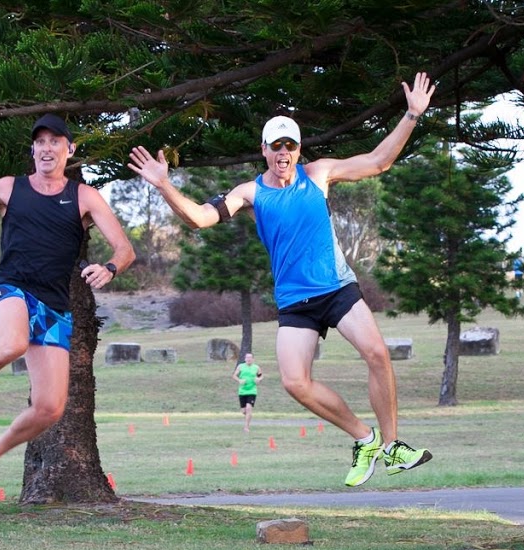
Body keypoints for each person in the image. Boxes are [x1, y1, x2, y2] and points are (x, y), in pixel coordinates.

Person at [128, 73, 436, 488]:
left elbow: (379, 161)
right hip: (295, 302)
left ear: (298, 149)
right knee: (295, 382)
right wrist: (164, 184)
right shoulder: (251, 193)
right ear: (265, 151)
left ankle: (395, 445)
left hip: (337, 288)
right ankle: (365, 438)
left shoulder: (320, 173)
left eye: (290, 145)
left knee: (377, 355)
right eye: (276, 146)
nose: (284, 153)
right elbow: (200, 218)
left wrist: (412, 114)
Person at [0, 113, 135, 502]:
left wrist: (109, 268)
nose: (47, 148)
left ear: (70, 150)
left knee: (50, 408)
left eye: (56, 141)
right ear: (32, 150)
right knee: (12, 343)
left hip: (54, 306)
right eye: (40, 141)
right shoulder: (9, 188)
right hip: (11, 290)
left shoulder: (84, 196)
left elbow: (125, 249)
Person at [232, 352, 263, 432]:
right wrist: (239, 380)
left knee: (249, 408)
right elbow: (234, 375)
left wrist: (259, 379)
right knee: (244, 411)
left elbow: (261, 376)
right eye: (247, 358)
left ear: (253, 359)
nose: (249, 359)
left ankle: (246, 427)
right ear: (245, 359)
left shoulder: (256, 367)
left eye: (250, 358)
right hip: (242, 391)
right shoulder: (241, 366)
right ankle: (248, 416)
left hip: (252, 391)